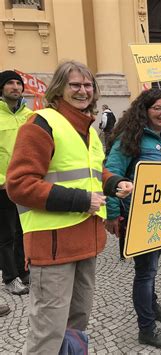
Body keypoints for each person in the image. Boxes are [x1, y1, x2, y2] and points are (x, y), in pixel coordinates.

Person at [6, 61, 133, 354]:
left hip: (86, 242)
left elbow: (93, 171)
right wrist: (80, 201)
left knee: (77, 321)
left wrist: (114, 183)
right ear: (59, 89)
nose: (82, 90)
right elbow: (19, 184)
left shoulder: (86, 126)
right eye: (75, 85)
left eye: (88, 85)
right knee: (48, 331)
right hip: (52, 246)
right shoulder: (41, 123)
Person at [105, 88, 161, 349]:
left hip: (160, 215)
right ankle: (147, 328)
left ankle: (152, 306)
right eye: (158, 108)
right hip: (137, 216)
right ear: (144, 111)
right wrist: (111, 213)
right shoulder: (129, 138)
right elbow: (110, 174)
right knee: (144, 273)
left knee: (152, 268)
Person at [0, 70, 31, 296]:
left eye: (18, 83)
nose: (15, 87)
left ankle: (23, 270)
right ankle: (10, 277)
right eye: (10, 83)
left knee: (24, 230)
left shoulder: (30, 115)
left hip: (27, 184)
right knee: (6, 234)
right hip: (3, 186)